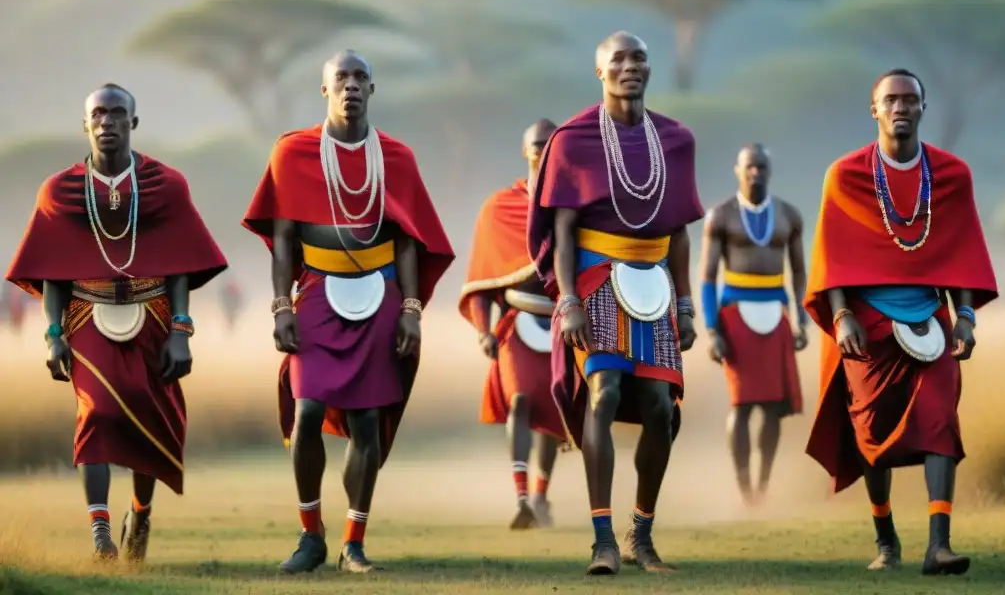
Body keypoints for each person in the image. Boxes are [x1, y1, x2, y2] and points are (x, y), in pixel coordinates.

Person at [242, 51, 455, 575]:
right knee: (307, 408)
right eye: (341, 78)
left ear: (372, 90)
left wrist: (411, 308)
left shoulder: (396, 158)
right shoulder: (291, 153)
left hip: (380, 293)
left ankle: (353, 542)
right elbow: (283, 239)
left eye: (361, 78)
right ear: (324, 90)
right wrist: (279, 308)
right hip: (315, 291)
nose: (351, 86)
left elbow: (407, 239)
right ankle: (310, 534)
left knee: (366, 423)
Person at [5, 83, 228, 562]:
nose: (107, 122)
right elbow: (50, 274)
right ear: (85, 124)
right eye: (98, 114)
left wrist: (181, 331)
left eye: (117, 114)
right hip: (87, 315)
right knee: (98, 413)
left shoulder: (165, 186)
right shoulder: (59, 191)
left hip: (153, 314)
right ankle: (102, 536)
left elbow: (180, 263)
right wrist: (53, 335)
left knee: (147, 416)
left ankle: (141, 514)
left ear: (133, 122)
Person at [804, 69, 998, 576]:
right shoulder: (844, 174)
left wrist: (967, 317)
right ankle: (886, 537)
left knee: (939, 419)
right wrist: (842, 314)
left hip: (930, 316)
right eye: (890, 100)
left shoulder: (952, 174)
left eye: (910, 99)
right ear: (874, 110)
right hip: (865, 318)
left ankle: (939, 544)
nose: (900, 108)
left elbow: (962, 252)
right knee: (871, 434)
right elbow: (830, 255)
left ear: (923, 107)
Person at [527, 31, 704, 575]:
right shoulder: (573, 139)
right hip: (595, 278)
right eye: (619, 60)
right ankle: (602, 540)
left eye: (640, 59)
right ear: (600, 73)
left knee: (658, 407)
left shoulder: (676, 140)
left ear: (650, 70)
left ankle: (640, 536)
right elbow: (560, 229)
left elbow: (677, 232)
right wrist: (570, 302)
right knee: (602, 392)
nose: (631, 67)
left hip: (654, 283)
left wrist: (686, 305)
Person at [458, 119, 565, 530]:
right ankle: (521, 496)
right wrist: (484, 329)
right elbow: (481, 280)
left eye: (550, 144)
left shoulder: (575, 207)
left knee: (555, 408)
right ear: (524, 151)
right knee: (520, 401)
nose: (542, 150)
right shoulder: (499, 207)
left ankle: (541, 495)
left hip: (560, 322)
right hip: (516, 321)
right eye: (536, 144)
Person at [699, 143, 806, 506]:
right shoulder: (721, 216)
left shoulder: (789, 216)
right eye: (749, 167)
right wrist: (712, 330)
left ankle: (763, 484)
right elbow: (707, 277)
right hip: (735, 316)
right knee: (742, 404)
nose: (755, 173)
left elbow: (799, 271)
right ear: (737, 170)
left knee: (773, 406)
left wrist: (801, 319)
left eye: (761, 167)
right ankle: (745, 487)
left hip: (776, 313)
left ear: (769, 170)